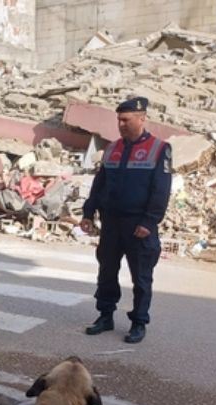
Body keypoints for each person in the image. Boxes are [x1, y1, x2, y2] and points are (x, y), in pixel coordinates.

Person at [80, 97, 172, 344]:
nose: (120, 124)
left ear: (142, 118)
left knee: (141, 277)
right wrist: (88, 212)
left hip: (138, 226)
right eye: (118, 119)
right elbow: (100, 184)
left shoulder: (158, 149)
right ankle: (105, 315)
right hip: (111, 223)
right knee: (107, 271)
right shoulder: (113, 148)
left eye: (126, 119)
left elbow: (160, 191)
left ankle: (138, 322)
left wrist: (149, 222)